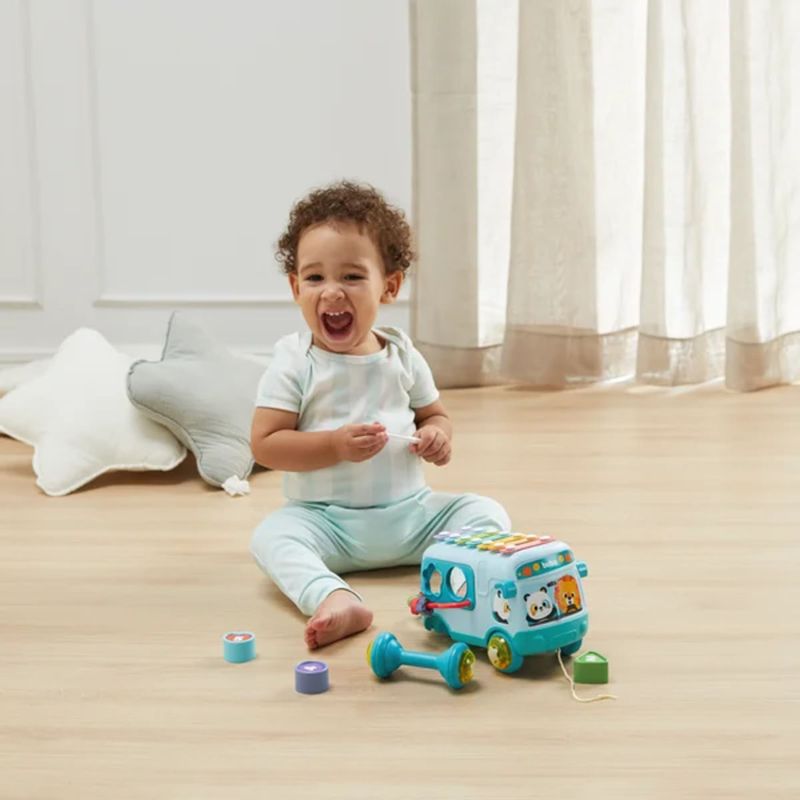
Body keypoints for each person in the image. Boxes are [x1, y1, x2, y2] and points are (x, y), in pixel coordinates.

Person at [250, 180, 510, 649]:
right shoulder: (294, 361)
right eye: (315, 278)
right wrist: (333, 446)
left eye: (351, 277)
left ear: (388, 286)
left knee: (485, 511)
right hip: (326, 523)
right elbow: (265, 444)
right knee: (272, 537)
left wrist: (437, 436)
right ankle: (333, 597)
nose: (332, 292)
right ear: (295, 287)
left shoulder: (402, 355)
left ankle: (450, 589)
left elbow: (435, 415)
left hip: (412, 519)